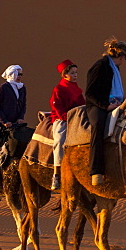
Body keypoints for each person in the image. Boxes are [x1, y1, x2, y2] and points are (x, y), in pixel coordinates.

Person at [85, 38, 126, 185]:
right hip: (97, 106)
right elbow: (90, 93)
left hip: (114, 103)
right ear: (122, 56)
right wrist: (105, 106)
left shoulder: (114, 68)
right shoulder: (100, 66)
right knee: (98, 126)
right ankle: (96, 171)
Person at [49, 59, 85, 191]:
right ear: (65, 75)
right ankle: (56, 174)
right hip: (62, 120)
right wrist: (68, 119)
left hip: (77, 118)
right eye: (72, 73)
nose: (75, 75)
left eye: (76, 73)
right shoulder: (58, 89)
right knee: (60, 140)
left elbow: (82, 105)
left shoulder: (77, 89)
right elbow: (58, 108)